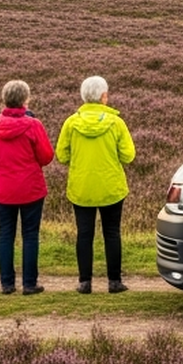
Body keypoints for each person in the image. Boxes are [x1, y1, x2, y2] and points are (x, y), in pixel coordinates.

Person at [55, 75, 136, 293]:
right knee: (112, 233)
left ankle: (85, 282)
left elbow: (61, 156)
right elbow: (128, 155)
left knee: (84, 234)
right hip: (111, 186)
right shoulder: (116, 123)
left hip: (81, 187)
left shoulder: (71, 123)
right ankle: (114, 282)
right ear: (103, 97)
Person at [0, 79, 55, 295]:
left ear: (5, 99)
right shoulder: (34, 125)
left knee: (5, 234)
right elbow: (47, 156)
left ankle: (7, 284)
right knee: (30, 235)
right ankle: (30, 284)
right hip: (30, 188)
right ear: (25, 100)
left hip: (2, 190)